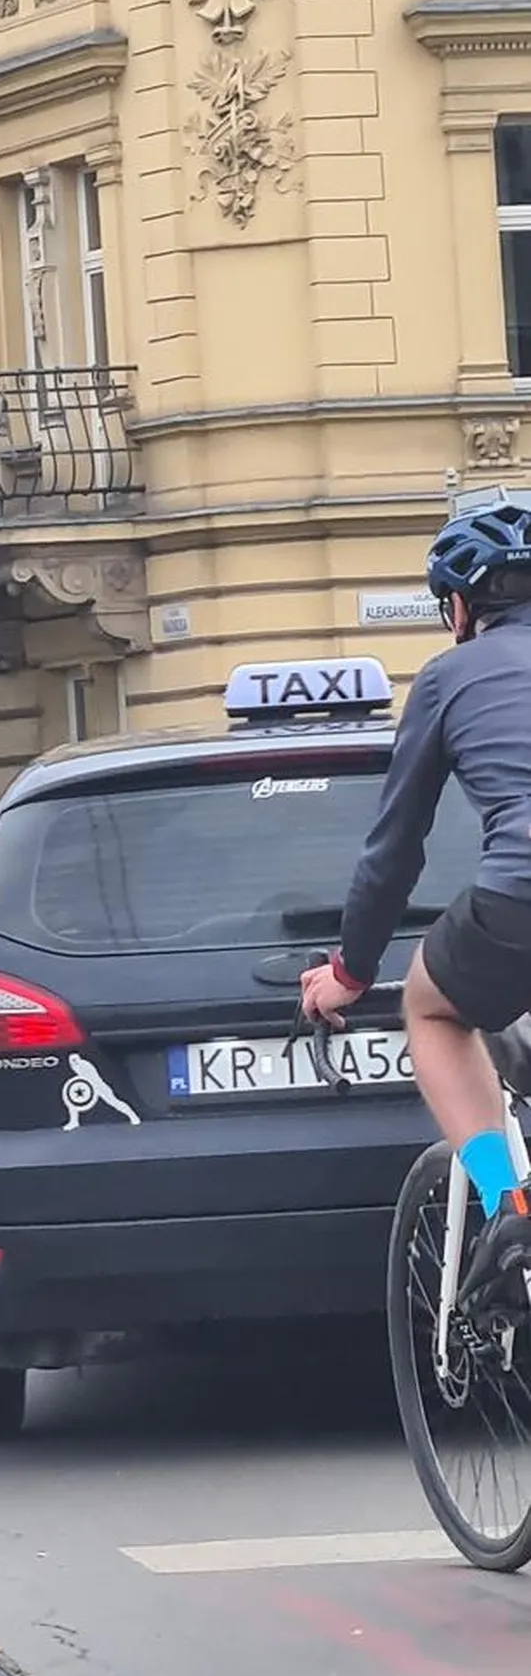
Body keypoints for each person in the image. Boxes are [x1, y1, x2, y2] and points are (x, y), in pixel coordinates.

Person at [301, 493, 531, 1291]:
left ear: (461, 606)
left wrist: (351, 970)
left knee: (432, 1009)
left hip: (516, 899)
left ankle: (509, 1208)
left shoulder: (447, 678)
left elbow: (393, 849)